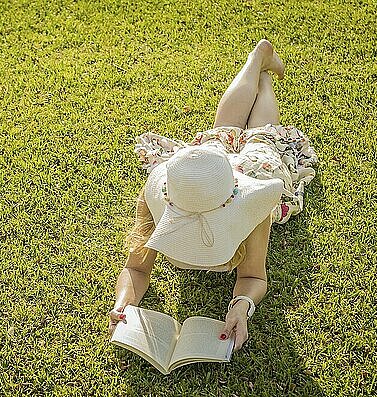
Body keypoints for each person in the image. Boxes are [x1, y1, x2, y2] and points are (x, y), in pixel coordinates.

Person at [107, 39, 319, 353]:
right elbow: (136, 268)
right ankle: (258, 62)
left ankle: (263, 73)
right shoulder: (174, 190)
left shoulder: (253, 206)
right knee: (225, 130)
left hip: (253, 171)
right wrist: (123, 304)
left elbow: (253, 275)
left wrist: (242, 306)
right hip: (213, 173)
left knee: (263, 133)